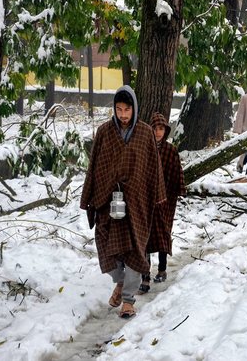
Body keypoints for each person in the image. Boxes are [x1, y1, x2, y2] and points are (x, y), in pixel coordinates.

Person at [80, 85, 166, 319]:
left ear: (134, 108)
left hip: (137, 202)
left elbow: (153, 167)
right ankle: (119, 282)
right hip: (108, 200)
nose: (123, 114)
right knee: (106, 247)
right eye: (118, 109)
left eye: (127, 109)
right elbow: (95, 166)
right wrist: (89, 196)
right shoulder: (105, 132)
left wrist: (157, 197)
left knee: (136, 250)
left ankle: (128, 299)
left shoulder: (145, 133)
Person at [139, 112, 187, 294]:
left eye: (161, 129)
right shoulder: (144, 149)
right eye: (155, 128)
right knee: (146, 235)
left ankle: (162, 268)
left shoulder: (170, 150)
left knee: (163, 233)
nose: (158, 132)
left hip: (166, 200)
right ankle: (145, 275)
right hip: (147, 199)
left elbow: (177, 172)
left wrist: (179, 190)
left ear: (165, 130)